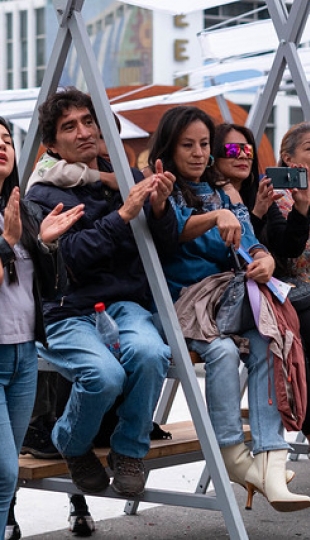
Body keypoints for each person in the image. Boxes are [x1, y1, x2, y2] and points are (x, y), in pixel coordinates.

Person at [147, 105, 310, 512]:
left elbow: (251, 239)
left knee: (269, 338)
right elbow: (171, 233)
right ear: (169, 148)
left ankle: (271, 462)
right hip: (184, 307)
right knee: (224, 348)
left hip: (225, 305)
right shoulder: (161, 190)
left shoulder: (221, 193)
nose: (199, 153)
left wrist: (263, 258)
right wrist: (216, 216)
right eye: (188, 145)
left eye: (204, 144)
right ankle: (236, 459)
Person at [25, 87, 177, 498]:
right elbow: (70, 258)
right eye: (69, 126)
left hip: (124, 304)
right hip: (67, 310)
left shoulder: (123, 177)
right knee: (103, 376)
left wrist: (161, 208)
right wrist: (124, 214)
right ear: (51, 145)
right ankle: (71, 443)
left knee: (151, 354)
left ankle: (129, 450)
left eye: (89, 122)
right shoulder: (42, 194)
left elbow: (160, 246)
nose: (84, 132)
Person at [0, 117, 84, 540]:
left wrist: (47, 245)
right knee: (2, 470)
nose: (1, 145)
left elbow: (52, 290)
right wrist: (6, 241)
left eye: (5, 139)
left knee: (4, 475)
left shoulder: (24, 208)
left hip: (23, 355)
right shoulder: (12, 221)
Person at [212, 122, 310, 443]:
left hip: (271, 294)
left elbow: (282, 245)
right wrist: (256, 213)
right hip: (253, 298)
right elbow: (241, 252)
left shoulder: (258, 189)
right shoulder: (216, 196)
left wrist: (301, 206)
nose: (242, 156)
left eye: (248, 150)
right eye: (231, 149)